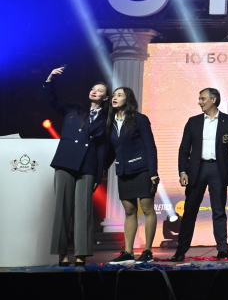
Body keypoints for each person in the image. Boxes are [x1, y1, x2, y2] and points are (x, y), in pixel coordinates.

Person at [43, 67, 111, 266]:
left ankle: (81, 254)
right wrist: (50, 79)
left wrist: (98, 175)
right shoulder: (74, 109)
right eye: (93, 89)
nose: (95, 92)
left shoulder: (106, 120)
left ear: (106, 98)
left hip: (88, 166)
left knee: (84, 211)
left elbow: (102, 150)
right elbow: (52, 101)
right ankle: (62, 254)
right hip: (65, 162)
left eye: (100, 90)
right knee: (62, 209)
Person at [174, 87, 228, 261]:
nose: (199, 102)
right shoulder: (193, 121)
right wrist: (182, 171)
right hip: (196, 170)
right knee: (189, 212)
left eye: (202, 98)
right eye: (200, 99)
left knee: (219, 211)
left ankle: (222, 249)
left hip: (218, 170)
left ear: (213, 100)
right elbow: (184, 149)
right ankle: (181, 250)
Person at [108, 87, 159, 263]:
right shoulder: (110, 121)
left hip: (142, 169)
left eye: (119, 95)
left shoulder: (139, 119)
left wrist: (153, 172)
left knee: (147, 209)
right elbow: (111, 150)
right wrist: (102, 170)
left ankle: (147, 251)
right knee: (129, 211)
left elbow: (150, 146)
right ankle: (128, 252)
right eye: (114, 95)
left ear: (128, 99)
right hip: (123, 171)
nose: (115, 97)